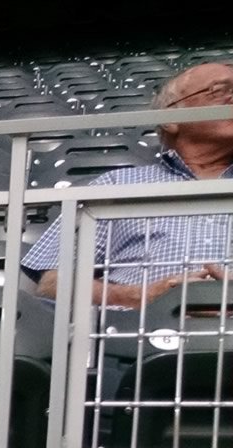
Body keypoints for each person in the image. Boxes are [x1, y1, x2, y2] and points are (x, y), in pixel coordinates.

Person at [24, 62, 232, 308]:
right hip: (130, 337)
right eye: (219, 90)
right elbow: (52, 283)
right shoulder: (116, 185)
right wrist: (139, 297)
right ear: (170, 117)